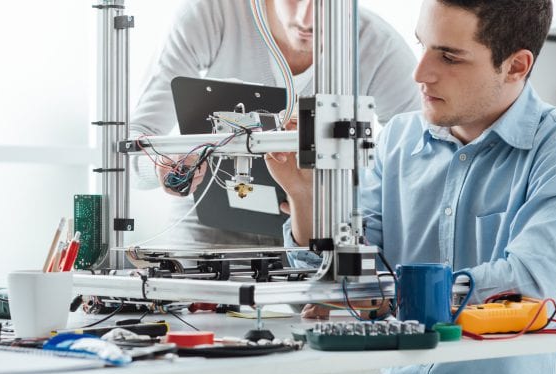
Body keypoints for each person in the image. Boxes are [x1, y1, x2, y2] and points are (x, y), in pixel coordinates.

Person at [267, 0, 556, 374]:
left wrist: (382, 299)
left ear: (516, 65)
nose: (420, 73)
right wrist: (303, 196)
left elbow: (530, 284)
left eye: (449, 56)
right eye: (422, 46)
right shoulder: (398, 138)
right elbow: (342, 280)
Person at [129, 0, 420, 247]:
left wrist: (342, 204)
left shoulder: (379, 47)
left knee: (331, 310)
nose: (306, 19)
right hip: (206, 225)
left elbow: (417, 159)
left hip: (315, 225)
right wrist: (166, 164)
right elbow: (134, 144)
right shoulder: (213, 12)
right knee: (180, 308)